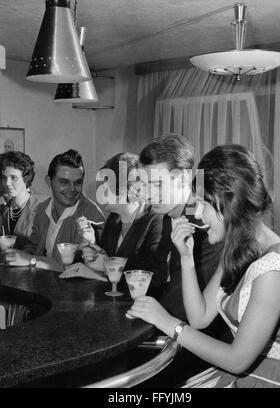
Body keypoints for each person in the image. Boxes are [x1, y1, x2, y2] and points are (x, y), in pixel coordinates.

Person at [127, 144, 280, 388]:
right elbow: (200, 317)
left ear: (227, 205)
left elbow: (238, 360)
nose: (198, 213)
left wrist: (167, 322)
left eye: (204, 204)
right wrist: (186, 259)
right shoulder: (239, 250)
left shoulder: (274, 270)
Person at [139, 134, 224, 321]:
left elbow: (186, 305)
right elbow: (160, 276)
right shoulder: (171, 215)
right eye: (144, 185)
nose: (148, 195)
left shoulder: (203, 224)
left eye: (156, 184)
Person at [62, 152, 170, 296]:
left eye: (105, 186)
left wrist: (106, 268)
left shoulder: (157, 221)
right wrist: (90, 245)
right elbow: (104, 266)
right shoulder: (114, 220)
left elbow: (155, 280)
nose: (100, 192)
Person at [4, 149, 104, 270]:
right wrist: (16, 256)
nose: (72, 189)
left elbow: (73, 266)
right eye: (64, 182)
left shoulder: (91, 214)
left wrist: (30, 260)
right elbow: (34, 245)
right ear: (49, 181)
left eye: (78, 182)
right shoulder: (42, 208)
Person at [0, 151, 47, 249]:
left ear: (26, 178)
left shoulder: (43, 206)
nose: (7, 183)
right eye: (4, 178)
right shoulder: (3, 209)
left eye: (13, 177)